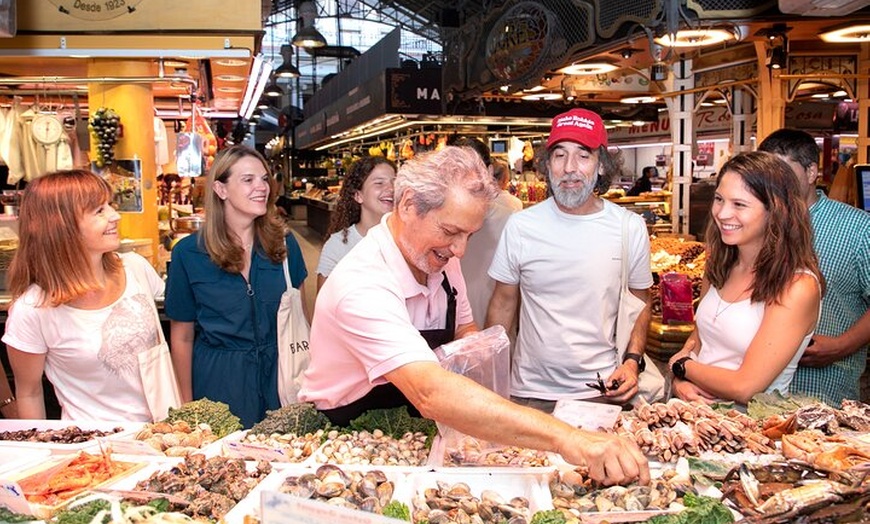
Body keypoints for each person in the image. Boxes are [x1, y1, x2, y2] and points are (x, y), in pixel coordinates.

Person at [300, 145, 649, 486]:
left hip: (416, 428)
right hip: (346, 439)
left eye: (469, 234)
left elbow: (465, 331)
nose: (460, 251)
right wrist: (570, 439)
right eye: (450, 231)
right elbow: (429, 392)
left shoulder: (441, 261)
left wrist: (478, 360)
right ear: (407, 206)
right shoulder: (362, 284)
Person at [486, 108, 653, 411]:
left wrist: (632, 361)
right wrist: (492, 376)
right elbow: (503, 303)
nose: (569, 168)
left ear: (601, 165)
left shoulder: (629, 228)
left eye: (583, 156)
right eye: (559, 155)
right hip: (528, 394)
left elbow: (641, 301)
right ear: (547, 164)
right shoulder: (522, 226)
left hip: (603, 392)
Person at [3, 169, 168, 421]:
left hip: (166, 438)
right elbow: (29, 393)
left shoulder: (136, 268)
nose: (115, 216)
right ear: (61, 226)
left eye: (109, 205)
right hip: (94, 450)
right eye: (99, 210)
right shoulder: (32, 309)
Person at [165, 145, 308, 428]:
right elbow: (181, 338)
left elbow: (302, 316)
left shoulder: (284, 244)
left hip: (281, 380)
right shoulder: (188, 254)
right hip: (219, 384)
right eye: (248, 180)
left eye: (264, 179)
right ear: (220, 189)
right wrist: (187, 406)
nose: (262, 187)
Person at [667, 151, 823, 405]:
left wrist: (680, 365)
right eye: (719, 199)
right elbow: (699, 338)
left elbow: (745, 386)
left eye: (739, 204)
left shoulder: (797, 286)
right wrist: (680, 382)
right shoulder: (720, 265)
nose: (723, 213)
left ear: (777, 210)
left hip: (749, 431)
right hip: (694, 421)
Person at [759, 129, 870, 406]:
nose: (772, 184)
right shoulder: (753, 222)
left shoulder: (857, 229)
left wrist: (842, 345)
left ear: (811, 172)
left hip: (823, 391)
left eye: (782, 173)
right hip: (753, 391)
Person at [316, 156, 396, 292]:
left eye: (395, 182)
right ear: (358, 195)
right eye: (379, 183)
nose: (391, 189)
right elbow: (324, 306)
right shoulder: (339, 246)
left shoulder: (407, 241)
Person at [461, 158, 522, 327]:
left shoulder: (513, 222)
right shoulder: (433, 219)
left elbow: (506, 299)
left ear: (488, 171)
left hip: (494, 329)